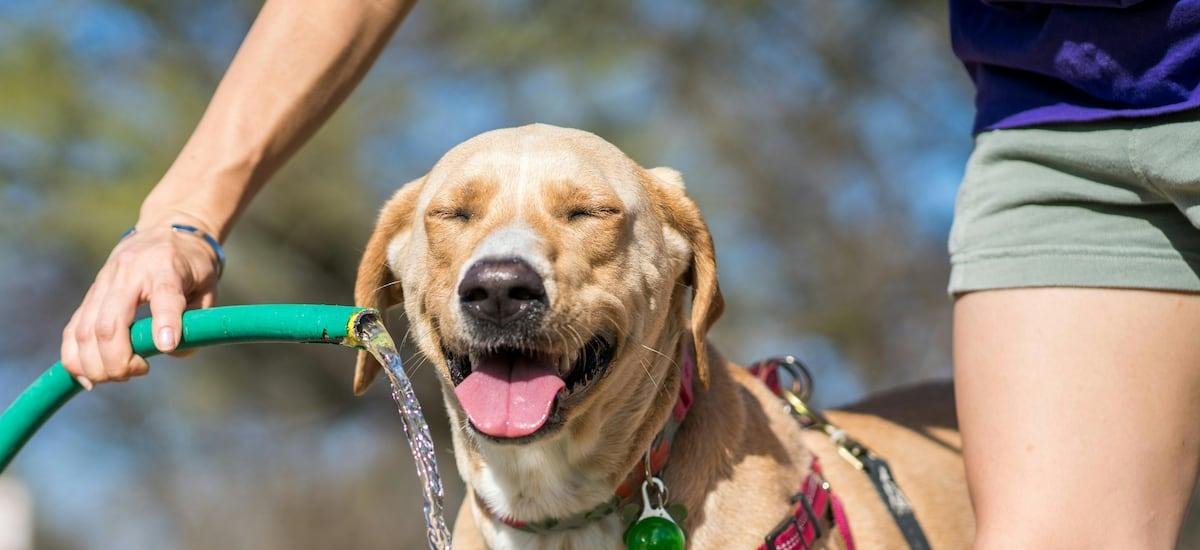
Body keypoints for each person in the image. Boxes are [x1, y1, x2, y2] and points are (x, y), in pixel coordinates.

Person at [60, 0, 1200, 547]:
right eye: (459, 223)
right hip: (1066, 116)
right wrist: (183, 216)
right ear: (391, 288)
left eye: (582, 219)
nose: (503, 273)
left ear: (685, 275)